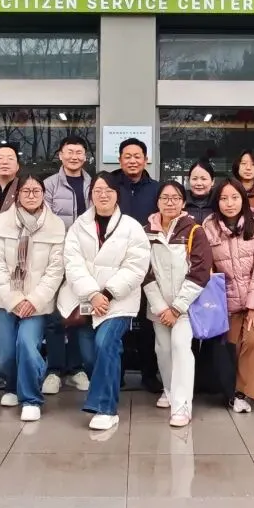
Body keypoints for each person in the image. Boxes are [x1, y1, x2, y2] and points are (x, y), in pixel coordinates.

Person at [59, 172, 151, 431]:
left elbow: (136, 267)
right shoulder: (79, 226)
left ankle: (105, 408)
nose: (103, 195)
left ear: (117, 195)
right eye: (97, 190)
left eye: (108, 190)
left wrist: (108, 294)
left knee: (105, 343)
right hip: (86, 299)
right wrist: (93, 294)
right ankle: (105, 394)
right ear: (91, 195)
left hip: (118, 302)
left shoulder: (132, 227)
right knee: (91, 355)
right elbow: (72, 263)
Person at [0, 173, 67, 423]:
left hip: (37, 303)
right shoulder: (2, 222)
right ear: (17, 195)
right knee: (2, 352)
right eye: (26, 191)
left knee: (27, 345)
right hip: (5, 299)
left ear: (43, 194)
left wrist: (34, 300)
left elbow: (56, 269)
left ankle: (31, 398)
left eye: (36, 191)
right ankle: (12, 385)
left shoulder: (55, 225)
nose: (31, 196)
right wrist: (14, 299)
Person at [143, 180, 214, 428]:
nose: (170, 202)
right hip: (158, 307)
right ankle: (169, 390)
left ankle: (182, 405)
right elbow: (143, 272)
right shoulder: (146, 232)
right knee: (162, 349)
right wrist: (161, 306)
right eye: (165, 198)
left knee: (181, 347)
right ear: (157, 201)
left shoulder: (194, 231)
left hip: (185, 307)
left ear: (183, 202)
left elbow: (200, 272)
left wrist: (176, 308)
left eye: (175, 198)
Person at [204, 178, 254, 413]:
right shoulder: (209, 227)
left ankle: (244, 393)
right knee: (231, 346)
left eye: (235, 197)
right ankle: (232, 389)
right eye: (224, 198)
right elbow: (208, 266)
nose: (229, 203)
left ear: (243, 199)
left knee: (252, 341)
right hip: (227, 301)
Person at [41, 135, 93, 394]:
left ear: (86, 156)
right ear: (60, 155)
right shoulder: (49, 185)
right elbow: (45, 222)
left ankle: (75, 369)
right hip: (57, 257)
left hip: (85, 259)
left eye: (79, 152)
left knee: (78, 314)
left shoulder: (93, 185)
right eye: (69, 152)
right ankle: (54, 370)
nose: (74, 156)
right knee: (55, 316)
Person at [110, 138, 162, 394]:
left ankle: (149, 374)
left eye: (137, 156)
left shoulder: (156, 189)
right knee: (116, 318)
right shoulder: (110, 185)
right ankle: (116, 374)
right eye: (127, 156)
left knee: (147, 322)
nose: (132, 161)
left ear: (146, 159)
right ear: (120, 160)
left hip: (148, 264)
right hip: (114, 263)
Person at [184, 159, 217, 224]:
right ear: (188, 180)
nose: (199, 183)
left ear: (212, 181)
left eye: (203, 179)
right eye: (194, 179)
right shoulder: (181, 202)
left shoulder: (219, 201)